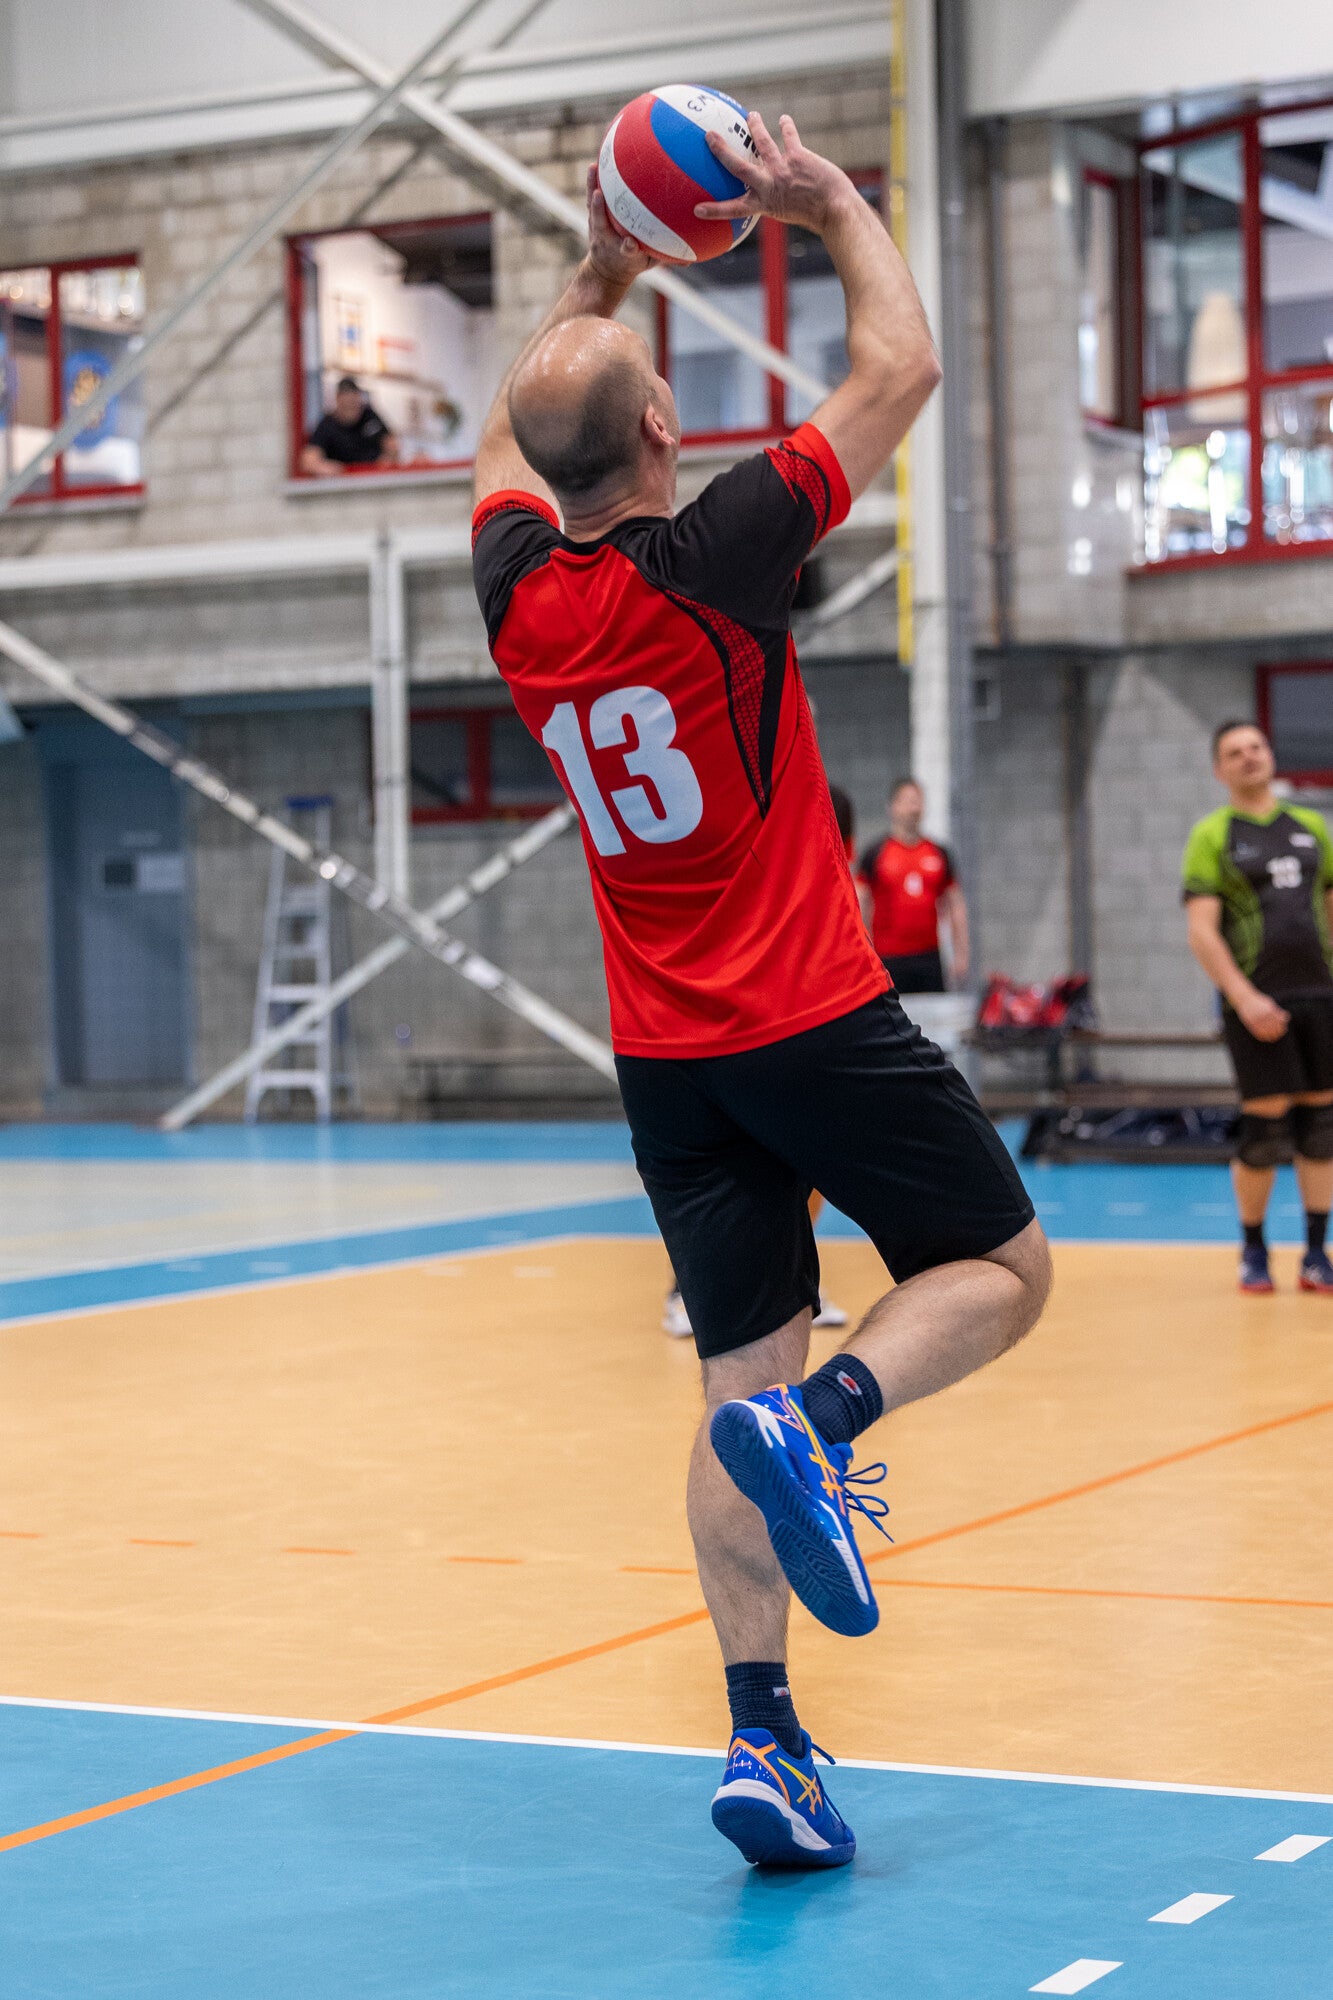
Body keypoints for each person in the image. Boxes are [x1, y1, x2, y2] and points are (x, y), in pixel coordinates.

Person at [470, 115, 1050, 1871]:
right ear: (664, 427)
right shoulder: (717, 549)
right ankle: (827, 1422)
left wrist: (595, 271)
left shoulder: (514, 595)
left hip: (666, 1064)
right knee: (999, 1272)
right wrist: (832, 203)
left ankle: (764, 1741)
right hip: (806, 1012)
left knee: (728, 1379)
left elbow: (508, 436)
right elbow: (902, 366)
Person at [663, 774, 858, 1342]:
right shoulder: (740, 839)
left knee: (813, 1165)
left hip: (805, 1023)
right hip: (735, 1026)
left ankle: (797, 1286)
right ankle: (686, 1292)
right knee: (729, 1175)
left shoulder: (830, 842)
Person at [1183, 720, 1333, 1295]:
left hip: (1320, 997)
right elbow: (1202, 932)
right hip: (1255, 1004)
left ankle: (1316, 1254)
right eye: (1234, 753)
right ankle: (1253, 1249)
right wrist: (1245, 999)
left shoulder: (1312, 826)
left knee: (1320, 1130)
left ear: (1270, 755)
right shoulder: (1212, 835)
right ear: (1218, 770)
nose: (1249, 757)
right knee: (1265, 1133)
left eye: (1256, 747)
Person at [857, 777, 969, 992]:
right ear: (892, 807)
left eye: (917, 801)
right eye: (907, 801)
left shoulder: (939, 853)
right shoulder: (875, 854)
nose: (913, 808)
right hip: (888, 959)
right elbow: (859, 906)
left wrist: (961, 954)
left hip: (929, 958)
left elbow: (956, 906)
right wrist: (864, 957)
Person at [300, 376, 399, 475]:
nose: (350, 406)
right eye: (346, 403)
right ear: (338, 400)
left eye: (353, 402)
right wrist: (322, 467)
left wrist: (387, 459)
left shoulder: (369, 416)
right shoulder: (327, 425)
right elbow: (308, 460)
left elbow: (391, 444)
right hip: (343, 479)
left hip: (373, 476)